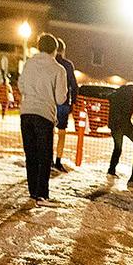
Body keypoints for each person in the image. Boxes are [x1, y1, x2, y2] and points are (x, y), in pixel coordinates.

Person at [18, 33, 69, 203]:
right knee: (45, 156)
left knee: (30, 154)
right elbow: (61, 98)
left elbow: (21, 86)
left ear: (39, 47)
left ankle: (33, 191)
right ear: (55, 50)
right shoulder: (58, 69)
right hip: (44, 115)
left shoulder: (28, 64)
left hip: (26, 112)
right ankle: (42, 193)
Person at [53, 38, 79, 173]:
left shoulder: (49, 63)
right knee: (61, 133)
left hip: (49, 102)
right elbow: (74, 86)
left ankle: (47, 159)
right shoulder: (67, 65)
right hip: (63, 103)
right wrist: (73, 102)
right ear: (63, 50)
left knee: (47, 132)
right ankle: (58, 160)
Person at [105, 82, 133, 177]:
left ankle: (111, 169)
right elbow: (128, 112)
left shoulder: (116, 95)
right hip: (125, 125)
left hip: (115, 125)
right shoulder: (131, 97)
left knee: (117, 148)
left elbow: (109, 97)